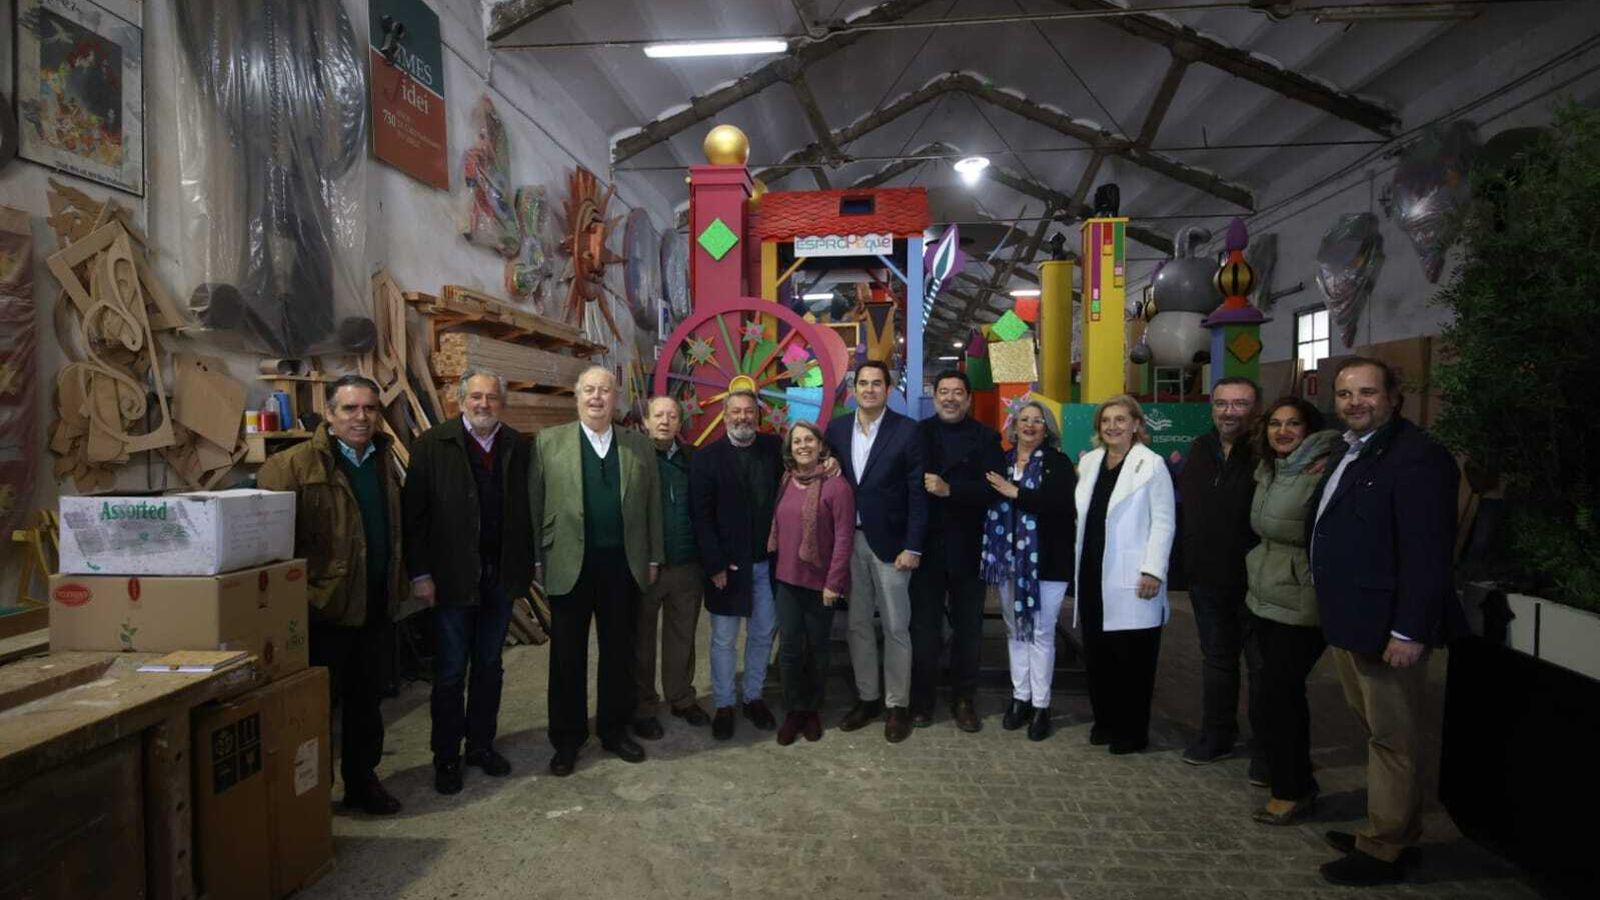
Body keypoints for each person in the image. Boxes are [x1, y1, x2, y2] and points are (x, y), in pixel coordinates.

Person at [1309, 357, 1466, 887]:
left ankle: (1386, 848)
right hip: (1353, 620)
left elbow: (1427, 555)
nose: (1356, 402)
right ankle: (1393, 827)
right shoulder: (1351, 450)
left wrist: (1410, 630)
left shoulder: (1418, 458)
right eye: (1346, 394)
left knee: (1393, 738)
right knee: (1377, 732)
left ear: (1393, 396)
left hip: (1386, 627)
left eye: (1368, 392)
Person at [258, 374, 409, 815]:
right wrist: (304, 596)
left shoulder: (382, 459)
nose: (361, 418)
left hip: (376, 605)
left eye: (369, 409)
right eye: (350, 408)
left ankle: (363, 783)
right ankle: (309, 796)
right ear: (329, 413)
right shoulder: (290, 468)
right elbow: (269, 550)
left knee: (367, 705)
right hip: (323, 611)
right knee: (314, 711)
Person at [403, 368, 534, 795]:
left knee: (490, 668)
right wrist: (420, 573)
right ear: (460, 402)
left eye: (492, 398)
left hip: (498, 579)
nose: (483, 405)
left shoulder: (517, 446)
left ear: (502, 404)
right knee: (450, 672)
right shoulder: (432, 445)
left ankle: (480, 746)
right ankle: (446, 756)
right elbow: (414, 517)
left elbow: (526, 511)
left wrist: (526, 565)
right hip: (451, 579)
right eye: (475, 397)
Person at [530, 366, 663, 777]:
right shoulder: (548, 443)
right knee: (567, 656)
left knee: (618, 652)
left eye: (604, 390)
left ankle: (614, 729)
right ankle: (567, 740)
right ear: (576, 395)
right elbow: (535, 504)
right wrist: (538, 558)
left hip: (622, 564)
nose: (597, 397)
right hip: (570, 563)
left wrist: (653, 557)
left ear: (615, 396)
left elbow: (652, 507)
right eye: (589, 389)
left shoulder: (639, 446)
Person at [1244, 397, 1342, 826]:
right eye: (1275, 424)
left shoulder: (1325, 469)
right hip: (1265, 591)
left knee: (1278, 693)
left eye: (1293, 424)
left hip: (1302, 598)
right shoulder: (1271, 469)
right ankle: (1291, 776)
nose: (1283, 432)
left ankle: (1293, 789)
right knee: (1272, 693)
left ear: (1310, 429)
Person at [824, 361, 928, 743]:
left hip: (893, 546)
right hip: (849, 542)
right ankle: (867, 698)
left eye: (876, 384)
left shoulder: (907, 432)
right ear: (853, 388)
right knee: (857, 625)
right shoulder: (836, 429)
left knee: (897, 626)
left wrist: (913, 545)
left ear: (889, 388)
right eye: (862, 383)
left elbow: (918, 493)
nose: (868, 390)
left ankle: (896, 705)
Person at [1073, 394, 1176, 755]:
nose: (1113, 426)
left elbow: (1164, 522)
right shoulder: (1090, 464)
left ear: (1136, 425)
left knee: (1132, 660)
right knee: (1098, 654)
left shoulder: (1152, 465)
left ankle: (1131, 732)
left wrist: (1153, 570)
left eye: (1121, 420)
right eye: (1106, 421)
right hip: (1092, 574)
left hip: (1134, 577)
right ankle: (1105, 721)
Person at [1177, 377, 1266, 778]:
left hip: (1256, 580)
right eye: (1222, 404)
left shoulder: (1268, 453)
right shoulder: (1201, 448)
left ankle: (1267, 747)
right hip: (1207, 579)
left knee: (1261, 667)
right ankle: (1217, 735)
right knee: (1216, 660)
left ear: (1256, 408)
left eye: (1240, 404)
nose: (1230, 412)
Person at [911, 370, 1005, 732]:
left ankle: (964, 699)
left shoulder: (985, 438)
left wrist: (952, 490)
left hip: (968, 548)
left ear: (968, 399)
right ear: (934, 397)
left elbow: (996, 490)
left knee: (969, 630)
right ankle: (922, 701)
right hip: (927, 549)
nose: (950, 398)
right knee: (924, 630)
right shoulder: (918, 434)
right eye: (944, 392)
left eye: (957, 393)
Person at [981, 401, 1076, 741]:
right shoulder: (1002, 462)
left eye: (1038, 421)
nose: (1031, 426)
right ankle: (1019, 698)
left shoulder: (1058, 463)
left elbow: (1062, 507)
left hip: (1047, 564)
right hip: (1008, 563)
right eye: (1025, 420)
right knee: (1015, 631)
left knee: (1041, 633)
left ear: (1047, 428)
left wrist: (1016, 493)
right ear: (1014, 425)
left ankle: (1042, 705)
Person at [690, 390, 782, 741]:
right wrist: (713, 564)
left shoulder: (774, 449)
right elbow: (700, 516)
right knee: (724, 639)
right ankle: (725, 703)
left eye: (748, 412)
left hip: (767, 564)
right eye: (736, 412)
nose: (743, 417)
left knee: (761, 635)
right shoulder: (706, 458)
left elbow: (808, 463)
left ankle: (753, 696)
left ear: (757, 416)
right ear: (725, 416)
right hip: (726, 567)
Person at [768, 420, 855, 746]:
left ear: (821, 446)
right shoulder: (786, 480)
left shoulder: (837, 487)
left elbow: (844, 538)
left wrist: (835, 582)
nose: (803, 445)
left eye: (809, 440)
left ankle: (813, 709)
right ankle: (794, 709)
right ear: (790, 450)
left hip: (821, 583)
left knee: (818, 650)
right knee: (789, 649)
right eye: (796, 442)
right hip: (787, 580)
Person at [632, 396, 708, 739]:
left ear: (680, 423)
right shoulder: (633, 458)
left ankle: (681, 697)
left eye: (672, 415)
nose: (665, 421)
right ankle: (644, 705)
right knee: (642, 639)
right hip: (646, 566)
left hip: (687, 564)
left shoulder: (693, 459)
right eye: (658, 415)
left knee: (682, 635)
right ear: (645, 422)